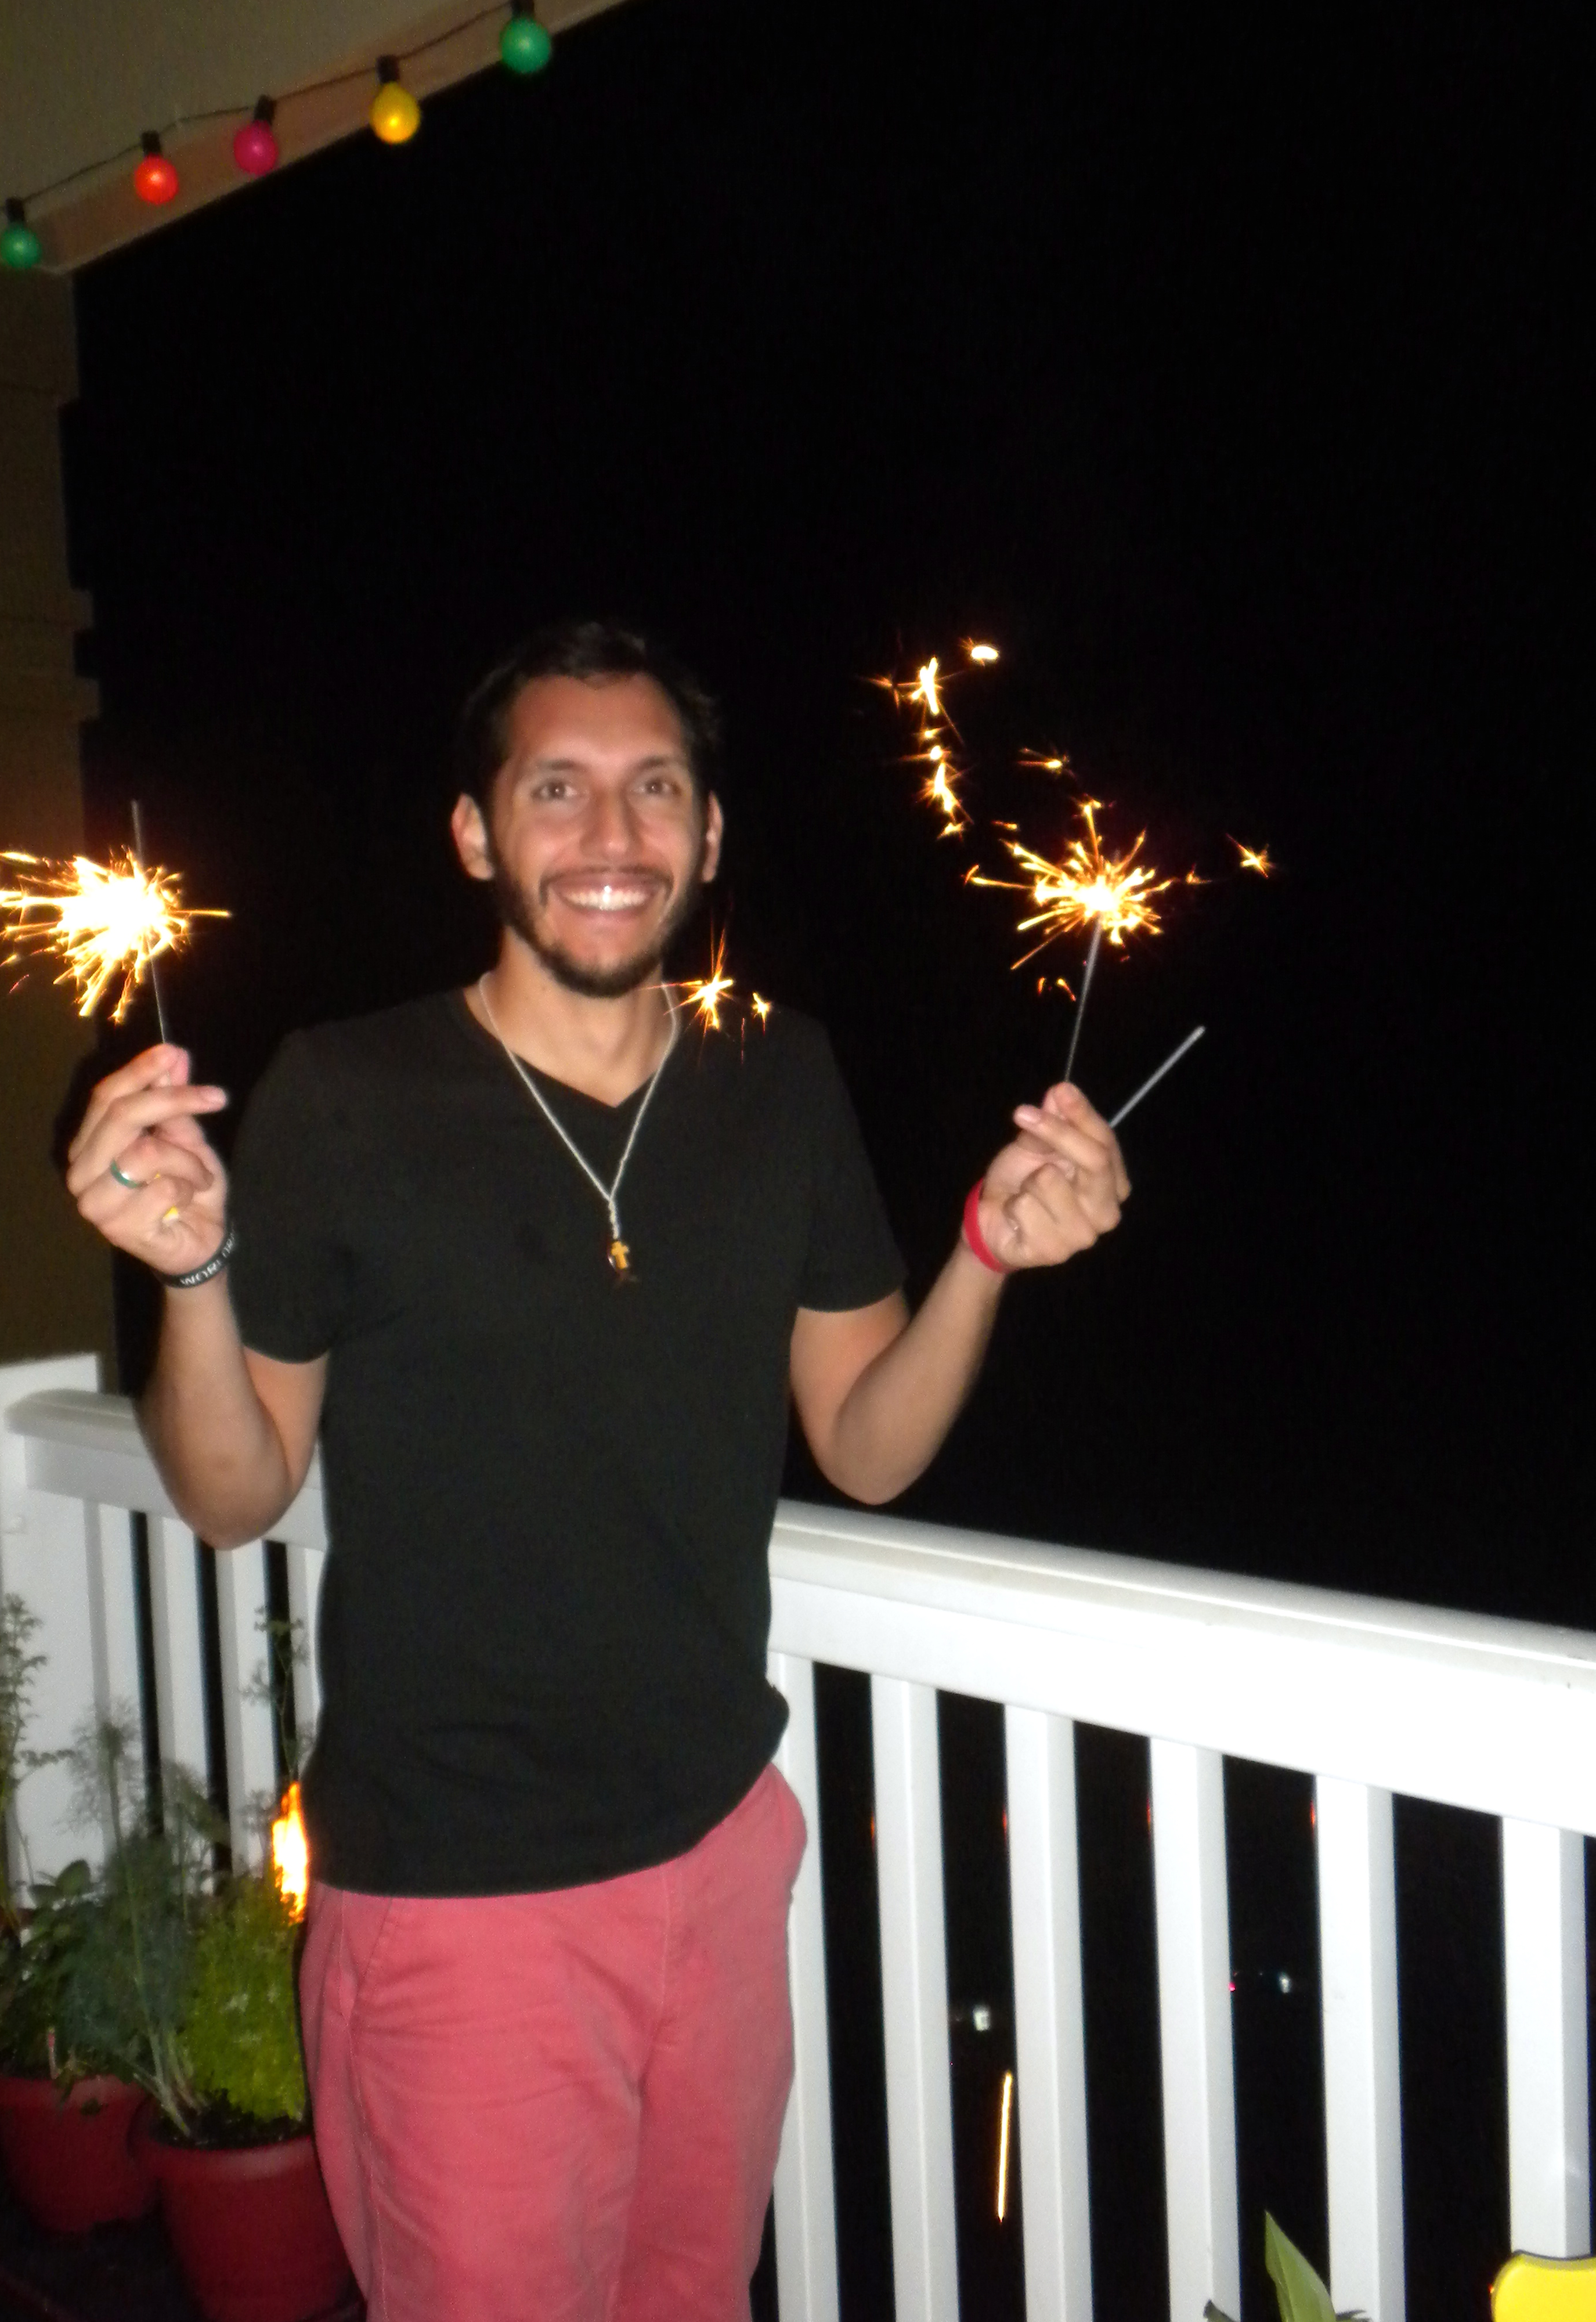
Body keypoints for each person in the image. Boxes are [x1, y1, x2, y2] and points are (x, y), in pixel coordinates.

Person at [65, 621, 1129, 2321]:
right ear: (476, 832)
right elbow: (235, 1492)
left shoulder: (778, 1078)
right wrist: (190, 1272)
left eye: (656, 789)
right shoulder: (346, 1093)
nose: (611, 836)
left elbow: (865, 1447)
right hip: (459, 1901)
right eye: (556, 789)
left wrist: (988, 1258)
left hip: (719, 1854)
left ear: (709, 834)